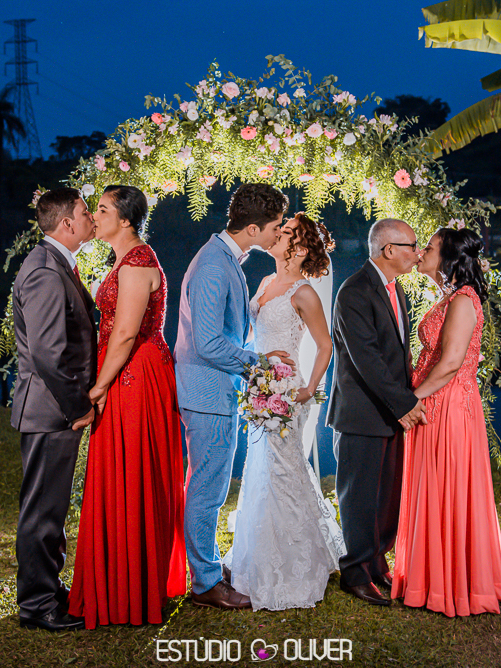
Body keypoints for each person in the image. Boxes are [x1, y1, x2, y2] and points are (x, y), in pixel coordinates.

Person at [67, 185, 187, 629]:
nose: (93, 216)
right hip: (124, 370)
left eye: (101, 210)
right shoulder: (124, 257)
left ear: (126, 220)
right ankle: (116, 580)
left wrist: (98, 387)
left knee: (132, 469)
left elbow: (124, 333)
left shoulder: (138, 261)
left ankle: (131, 588)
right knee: (118, 470)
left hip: (134, 375)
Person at [174, 182, 293, 610]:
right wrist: (258, 364)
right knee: (207, 489)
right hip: (205, 391)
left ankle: (205, 565)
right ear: (255, 227)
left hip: (215, 389)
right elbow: (207, 343)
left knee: (212, 485)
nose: (281, 234)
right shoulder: (212, 265)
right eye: (277, 227)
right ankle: (205, 583)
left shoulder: (226, 258)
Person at [224, 212, 346, 611]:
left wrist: (307, 388)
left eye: (287, 232)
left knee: (283, 470)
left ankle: (294, 566)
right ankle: (257, 556)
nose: (278, 235)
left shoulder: (304, 292)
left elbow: (326, 345)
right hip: (259, 388)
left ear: (302, 248)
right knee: (261, 470)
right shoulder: (264, 282)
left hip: (286, 394)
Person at [391, 226, 501, 617]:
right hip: (433, 403)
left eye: (430, 247)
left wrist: (411, 398)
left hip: (447, 406)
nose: (422, 251)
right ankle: (427, 576)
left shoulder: (463, 300)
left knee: (447, 486)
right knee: (431, 486)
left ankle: (452, 584)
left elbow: (452, 362)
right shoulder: (449, 297)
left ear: (448, 258)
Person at [11, 187, 98, 632]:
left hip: (51, 408)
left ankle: (48, 589)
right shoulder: (45, 270)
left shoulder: (55, 263)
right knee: (43, 510)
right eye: (86, 213)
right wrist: (77, 406)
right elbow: (47, 353)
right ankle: (38, 605)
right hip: (51, 409)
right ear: (66, 223)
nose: (91, 219)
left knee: (50, 506)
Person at [327, 218, 426, 607]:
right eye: (411, 246)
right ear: (388, 250)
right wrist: (405, 404)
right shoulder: (355, 291)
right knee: (360, 498)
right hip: (361, 414)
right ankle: (354, 572)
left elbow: (397, 356)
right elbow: (365, 358)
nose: (417, 254)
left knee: (386, 496)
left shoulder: (396, 290)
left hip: (387, 414)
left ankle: (376, 563)